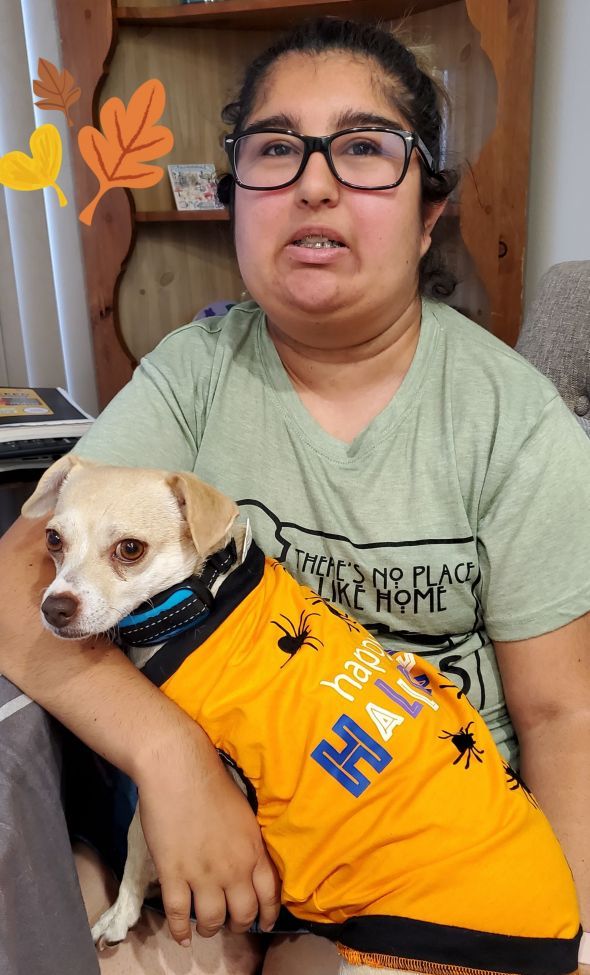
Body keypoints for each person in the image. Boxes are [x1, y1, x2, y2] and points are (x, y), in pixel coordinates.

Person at [1, 15, 589, 975]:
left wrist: (562, 937)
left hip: (423, 851)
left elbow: (565, 718)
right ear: (235, 200)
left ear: (428, 213)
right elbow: (19, 584)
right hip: (207, 833)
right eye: (275, 150)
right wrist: (173, 760)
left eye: (364, 148)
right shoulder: (190, 376)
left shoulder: (514, 423)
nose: (315, 183)